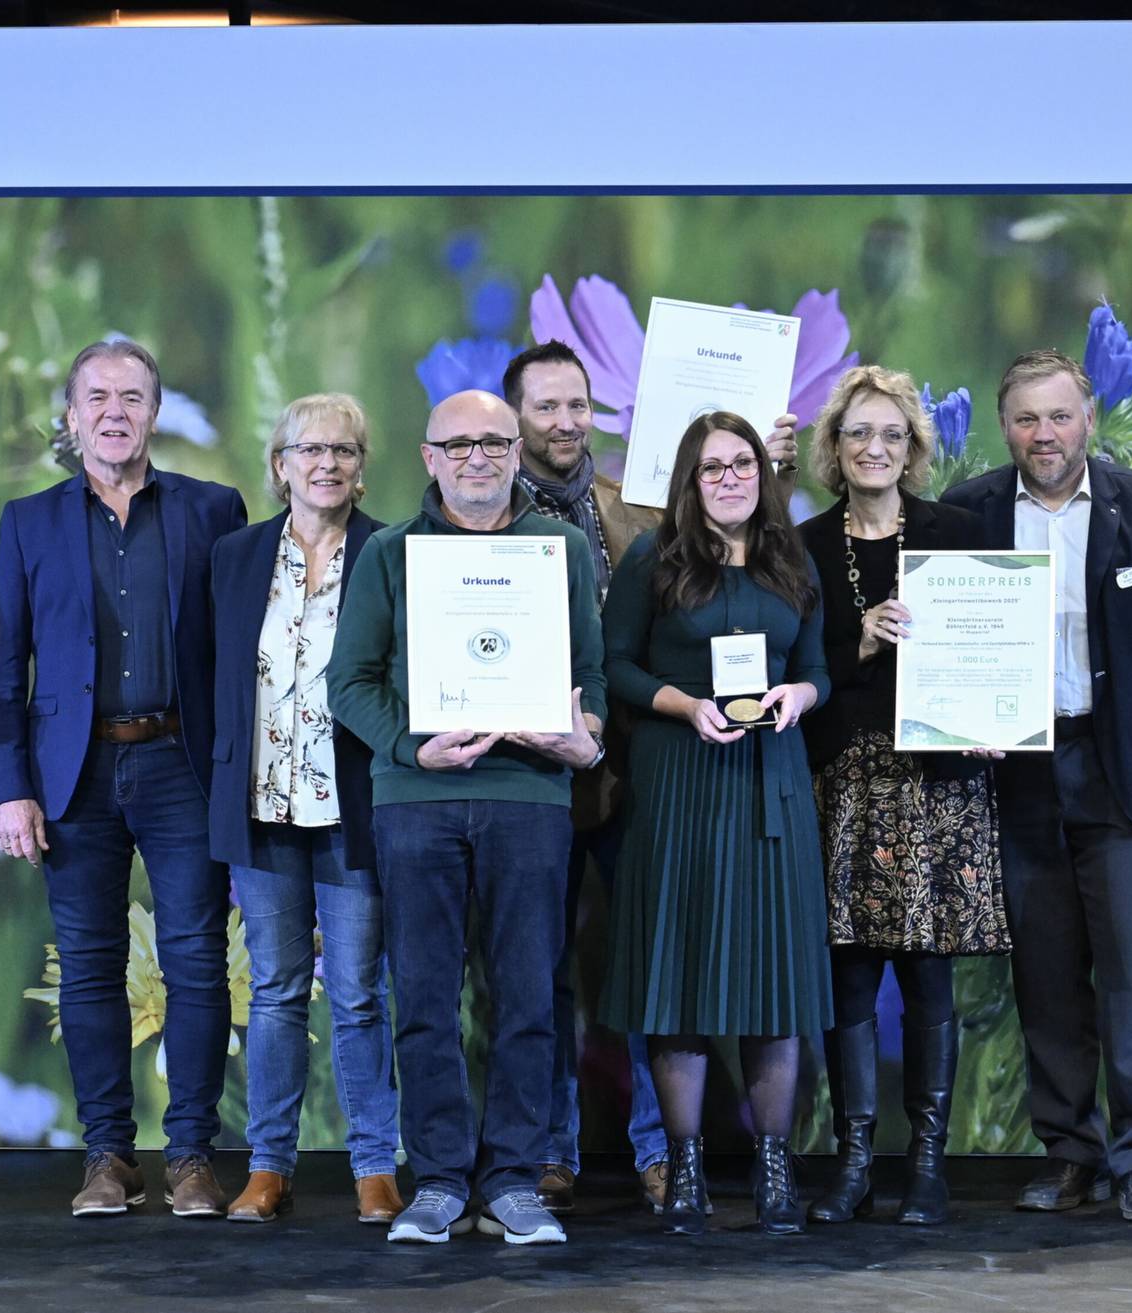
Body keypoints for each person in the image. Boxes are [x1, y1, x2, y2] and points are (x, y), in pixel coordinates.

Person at [506, 340, 801, 1214]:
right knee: (539, 970)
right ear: (513, 415)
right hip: (526, 775)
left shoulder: (632, 513)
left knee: (647, 965)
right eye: (546, 407)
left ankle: (659, 1153)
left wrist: (769, 466)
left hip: (630, 777)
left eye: (577, 406)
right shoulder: (483, 516)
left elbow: (722, 532)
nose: (565, 422)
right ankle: (552, 1147)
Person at [941, 349, 1132, 1223]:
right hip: (1019, 771)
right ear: (1006, 427)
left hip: (1122, 769)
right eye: (1027, 419)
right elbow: (944, 636)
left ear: (1090, 417)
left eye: (1059, 416)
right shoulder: (968, 512)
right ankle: (1070, 1151)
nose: (1044, 434)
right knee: (1047, 971)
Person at [327, 389, 606, 1246]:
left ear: (518, 451)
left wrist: (577, 741)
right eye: (459, 445)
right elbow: (350, 684)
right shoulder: (389, 555)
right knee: (422, 995)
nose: (478, 457)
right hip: (419, 802)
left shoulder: (560, 550)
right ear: (428, 457)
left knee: (527, 995)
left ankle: (514, 1179)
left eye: (493, 442)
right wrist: (415, 749)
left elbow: (590, 685)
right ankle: (441, 1180)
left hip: (531, 798)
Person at [0, 338, 247, 1219]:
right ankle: (107, 1155)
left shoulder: (214, 510)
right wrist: (10, 787)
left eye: (132, 396)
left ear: (155, 414)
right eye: (96, 396)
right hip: (74, 772)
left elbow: (241, 651)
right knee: (89, 966)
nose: (114, 411)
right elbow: (3, 668)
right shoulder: (28, 521)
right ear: (71, 415)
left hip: (180, 762)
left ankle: (194, 1158)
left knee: (197, 962)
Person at [600, 411, 833, 1237]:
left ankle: (775, 1173)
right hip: (681, 784)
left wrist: (799, 696)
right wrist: (684, 704)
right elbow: (616, 665)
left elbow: (817, 670)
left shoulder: (791, 559)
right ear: (688, 481)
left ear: (762, 473)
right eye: (711, 467)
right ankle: (687, 1169)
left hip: (771, 783)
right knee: (681, 980)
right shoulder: (652, 561)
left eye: (742, 463)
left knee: (775, 983)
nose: (730, 477)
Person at [796, 365, 1010, 1227]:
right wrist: (862, 643)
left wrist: (1004, 712)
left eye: (891, 434)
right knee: (848, 976)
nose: (875, 448)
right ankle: (853, 1164)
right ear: (835, 451)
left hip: (940, 783)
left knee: (929, 979)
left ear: (914, 448)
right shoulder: (807, 547)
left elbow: (997, 644)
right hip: (848, 779)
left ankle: (927, 1162)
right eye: (858, 434)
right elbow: (794, 670)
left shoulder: (958, 534)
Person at [207, 394, 402, 1226]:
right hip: (260, 808)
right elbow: (207, 674)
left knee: (358, 993)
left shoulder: (390, 553)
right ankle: (268, 1168)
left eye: (344, 450)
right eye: (309, 449)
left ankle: (373, 1167)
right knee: (278, 990)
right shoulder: (234, 557)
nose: (327, 463)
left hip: (353, 808)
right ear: (279, 464)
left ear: (361, 469)